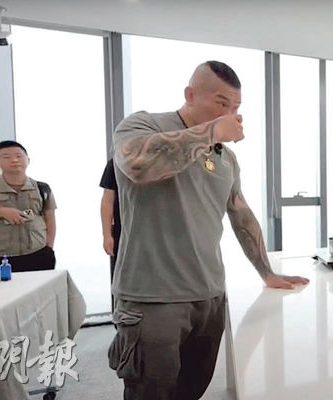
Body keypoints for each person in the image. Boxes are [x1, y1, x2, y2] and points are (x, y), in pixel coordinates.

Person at [108, 61, 309, 400]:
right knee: (150, 392)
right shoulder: (143, 125)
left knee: (192, 389)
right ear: (190, 95)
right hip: (153, 298)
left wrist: (267, 272)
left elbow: (241, 213)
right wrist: (213, 131)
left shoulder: (226, 158)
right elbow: (138, 165)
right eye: (221, 103)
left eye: (235, 107)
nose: (230, 114)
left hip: (209, 295)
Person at [0, 140, 57, 271]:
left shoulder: (42, 188)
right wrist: (3, 212)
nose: (14, 160)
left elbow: (50, 219)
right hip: (3, 256)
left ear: (28, 160)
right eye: (6, 157)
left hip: (38, 253)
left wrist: (49, 247)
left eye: (19, 156)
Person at [100, 158, 120, 307]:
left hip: (162, 231)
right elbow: (107, 200)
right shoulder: (117, 162)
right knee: (121, 276)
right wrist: (106, 235)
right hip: (124, 231)